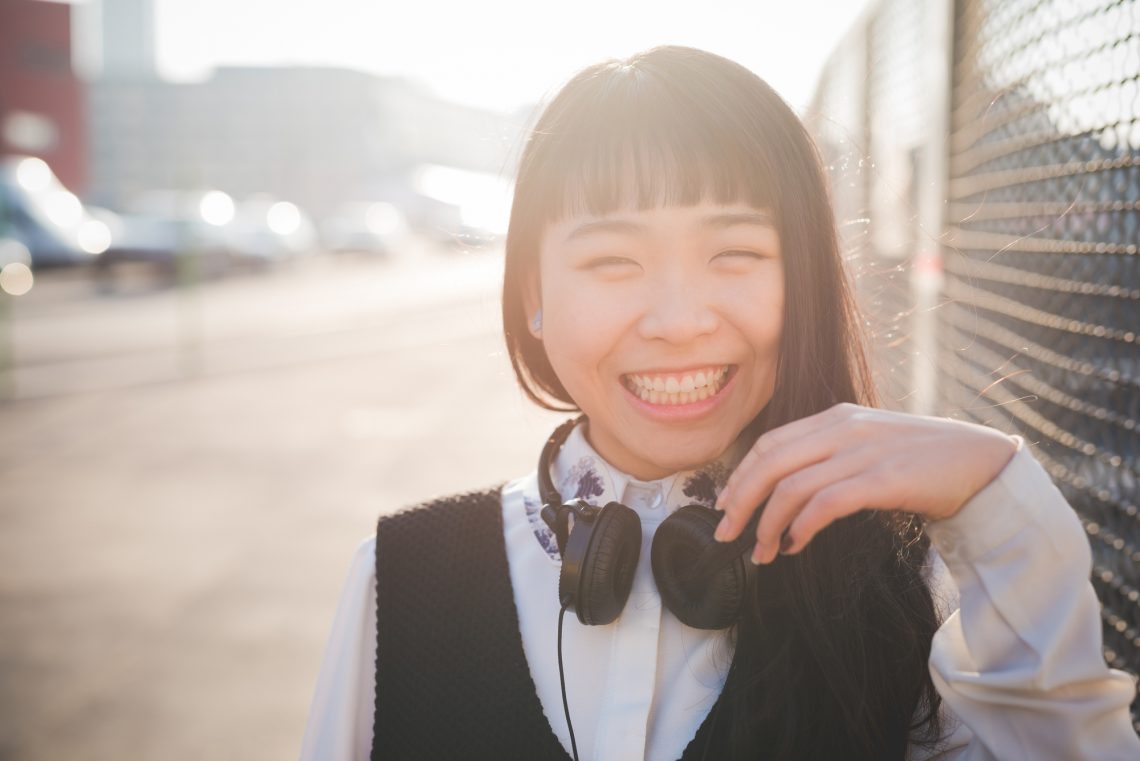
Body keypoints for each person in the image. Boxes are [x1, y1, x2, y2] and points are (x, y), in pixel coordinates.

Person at [299, 45, 1140, 760]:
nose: (678, 322)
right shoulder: (402, 579)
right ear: (531, 295)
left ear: (802, 276)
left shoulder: (908, 587)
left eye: (734, 252)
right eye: (614, 262)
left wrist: (997, 500)